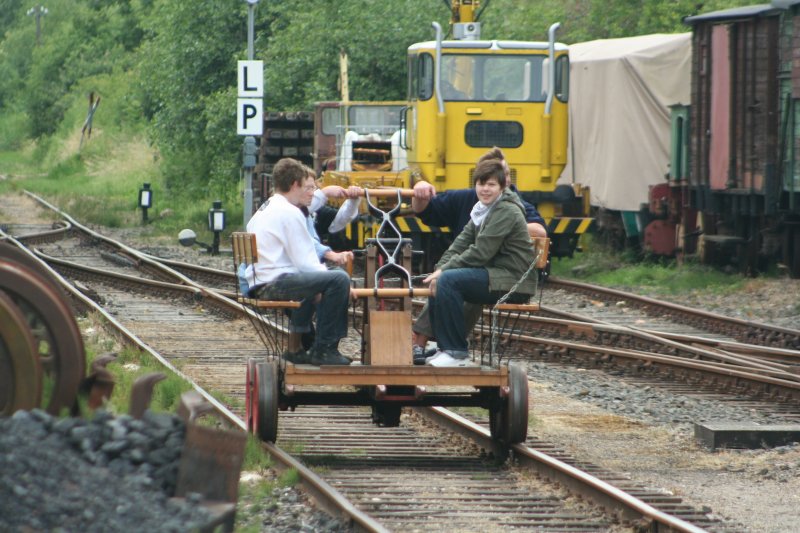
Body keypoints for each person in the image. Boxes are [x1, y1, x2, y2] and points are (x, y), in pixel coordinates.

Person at [409, 147, 547, 363]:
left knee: (449, 280)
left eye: (491, 184)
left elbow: (481, 251)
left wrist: (444, 271)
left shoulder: (506, 210)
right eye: (481, 184)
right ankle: (444, 349)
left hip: (512, 280)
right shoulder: (482, 209)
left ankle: (455, 351)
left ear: (502, 186)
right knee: (443, 279)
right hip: (494, 274)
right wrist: (439, 268)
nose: (485, 189)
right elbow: (460, 243)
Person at [243, 157, 352, 366]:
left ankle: (296, 350)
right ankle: (324, 349)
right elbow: (307, 262)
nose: (311, 192)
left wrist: (319, 282)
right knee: (339, 280)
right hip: (274, 284)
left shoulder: (265, 208)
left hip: (262, 282)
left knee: (319, 283)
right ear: (294, 185)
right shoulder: (290, 213)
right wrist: (334, 283)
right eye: (307, 187)